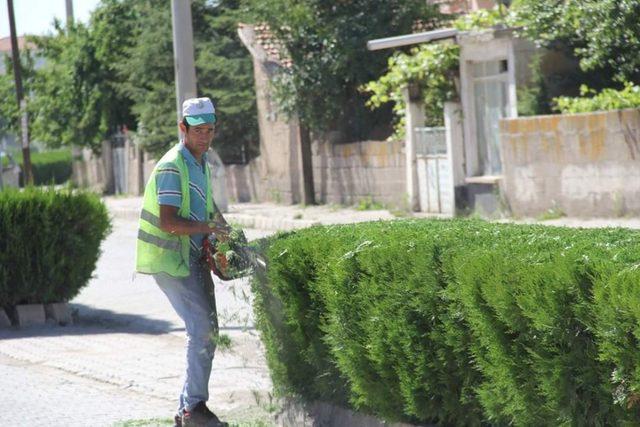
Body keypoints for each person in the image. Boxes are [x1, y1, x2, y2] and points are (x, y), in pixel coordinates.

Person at [136, 97, 230, 427]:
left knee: (209, 330)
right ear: (183, 128)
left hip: (190, 257)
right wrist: (209, 228)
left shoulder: (198, 162)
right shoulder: (171, 167)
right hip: (171, 260)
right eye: (198, 130)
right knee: (202, 329)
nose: (205, 137)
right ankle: (193, 410)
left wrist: (222, 229)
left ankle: (188, 410)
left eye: (210, 130)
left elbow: (205, 206)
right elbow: (168, 221)